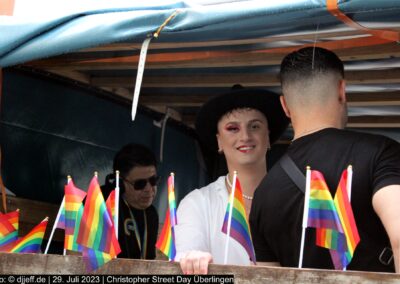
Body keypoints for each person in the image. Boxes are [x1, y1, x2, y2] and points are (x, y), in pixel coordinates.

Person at [250, 47, 400, 273]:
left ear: (285, 107)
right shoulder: (381, 153)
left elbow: (264, 276)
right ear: (342, 90)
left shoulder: (263, 194)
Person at [175, 87, 289, 274]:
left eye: (255, 126)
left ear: (268, 136)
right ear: (219, 141)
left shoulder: (295, 198)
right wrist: (192, 259)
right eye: (232, 128)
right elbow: (186, 252)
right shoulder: (198, 203)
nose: (245, 136)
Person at [101, 143, 159, 259]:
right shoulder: (100, 203)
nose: (148, 189)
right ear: (120, 183)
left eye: (153, 180)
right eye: (140, 184)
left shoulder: (151, 213)